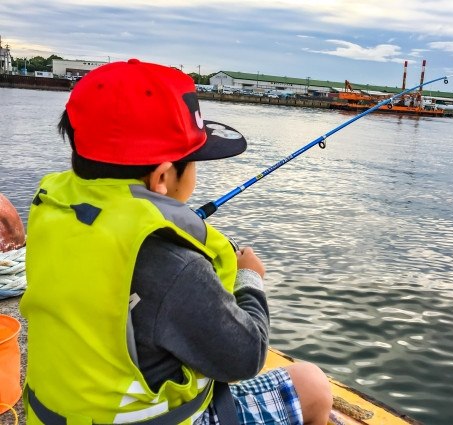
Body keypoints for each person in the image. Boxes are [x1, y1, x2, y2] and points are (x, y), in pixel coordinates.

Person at [20, 58, 332, 425]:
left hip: (55, 414)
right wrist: (250, 278)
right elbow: (245, 357)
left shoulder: (54, 211)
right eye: (195, 160)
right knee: (312, 385)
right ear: (163, 177)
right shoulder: (176, 266)